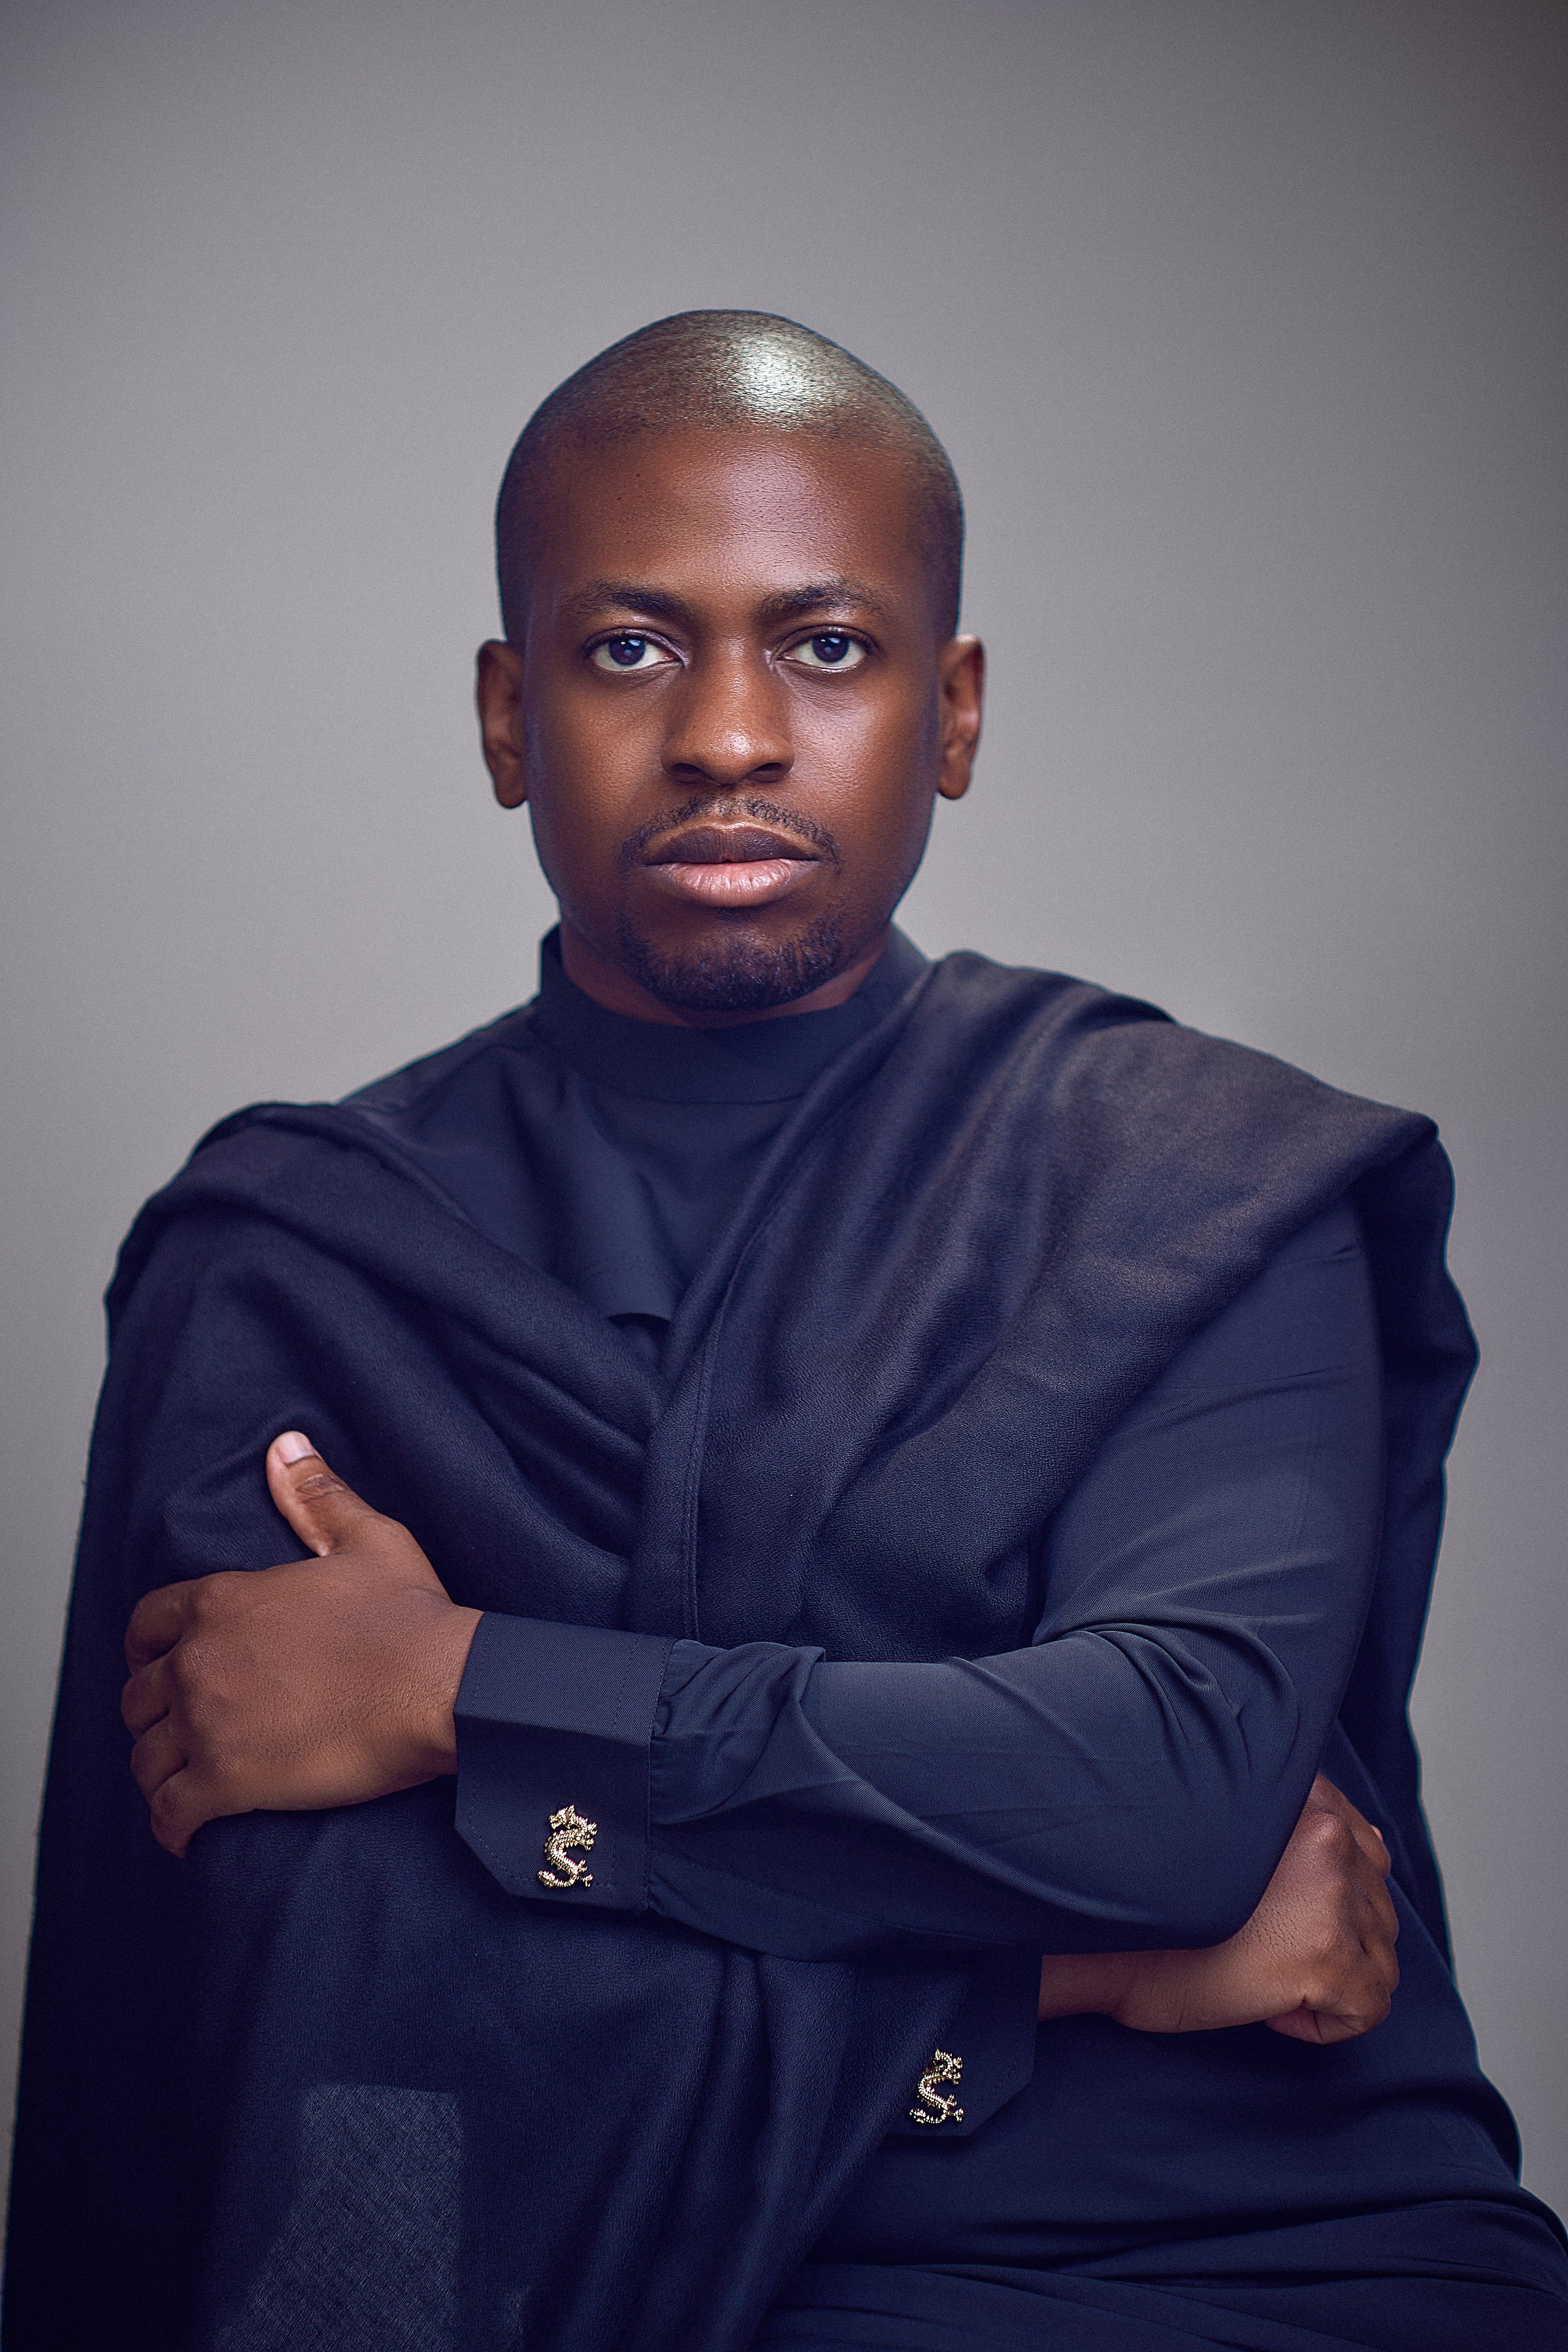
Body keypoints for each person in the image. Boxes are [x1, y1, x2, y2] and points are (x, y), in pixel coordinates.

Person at [7, 312, 1566, 2352]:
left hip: (1264, 2265)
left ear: (954, 710)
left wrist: (460, 1687)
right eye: (627, 648)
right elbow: (305, 1983)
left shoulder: (1199, 1179)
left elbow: (1169, 1793)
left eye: (826, 645)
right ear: (506, 715)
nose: (728, 736)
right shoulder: (295, 1259)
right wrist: (1057, 1979)